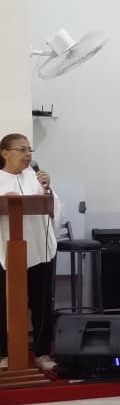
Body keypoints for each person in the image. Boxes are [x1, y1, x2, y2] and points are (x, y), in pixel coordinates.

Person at [0, 133, 60, 368]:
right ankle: (3, 353)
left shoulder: (36, 178)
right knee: (3, 303)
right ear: (5, 153)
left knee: (41, 303)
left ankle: (43, 352)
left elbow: (55, 209)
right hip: (6, 251)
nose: (28, 155)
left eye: (29, 150)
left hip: (38, 248)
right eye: (22, 149)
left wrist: (48, 188)